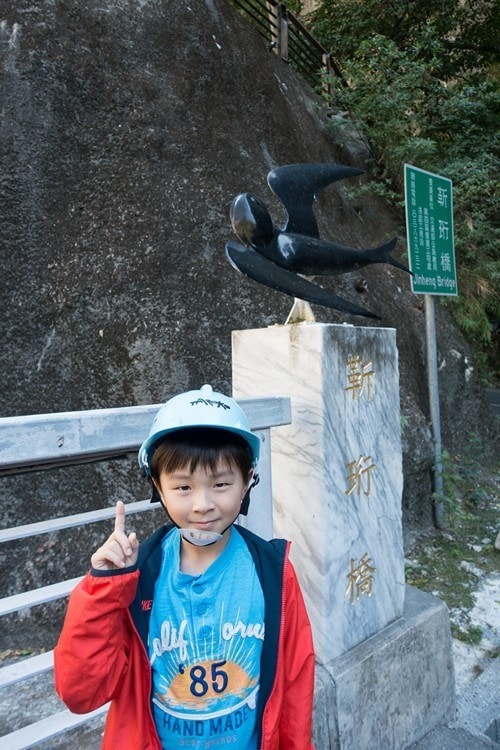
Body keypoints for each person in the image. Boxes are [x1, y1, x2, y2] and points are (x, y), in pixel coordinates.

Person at [54, 384, 315, 749]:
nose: (202, 505)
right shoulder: (136, 579)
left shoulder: (273, 572)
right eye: (183, 488)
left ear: (247, 481)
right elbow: (81, 693)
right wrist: (102, 589)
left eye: (221, 483)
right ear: (157, 488)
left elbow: (295, 685)